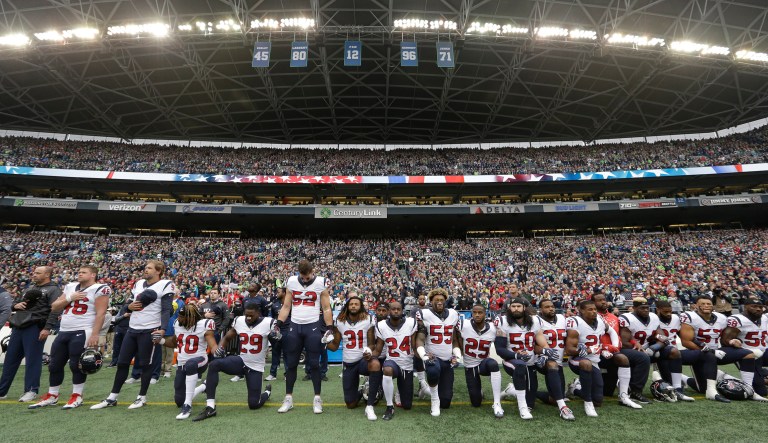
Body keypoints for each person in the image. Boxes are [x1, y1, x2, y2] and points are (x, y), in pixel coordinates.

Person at [91, 260, 175, 410]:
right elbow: (128, 303)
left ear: (158, 271)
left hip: (149, 329)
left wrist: (162, 329)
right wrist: (128, 307)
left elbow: (166, 309)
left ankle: (141, 397)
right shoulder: (139, 283)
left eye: (149, 268)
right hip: (132, 328)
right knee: (122, 363)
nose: (146, 270)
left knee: (146, 365)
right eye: (145, 267)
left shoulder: (166, 284)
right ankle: (112, 397)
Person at [29, 266, 111, 410]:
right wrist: (69, 298)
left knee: (76, 365)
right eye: (78, 271)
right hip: (64, 330)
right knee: (54, 364)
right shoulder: (71, 287)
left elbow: (101, 313)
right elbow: (54, 307)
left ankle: (77, 396)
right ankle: (52, 395)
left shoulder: (100, 288)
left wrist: (95, 334)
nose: (79, 273)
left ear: (93, 275)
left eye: (83, 272)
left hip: (83, 329)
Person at [193, 301, 273, 421]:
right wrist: (220, 347)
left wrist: (277, 337)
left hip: (256, 367)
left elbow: (279, 341)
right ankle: (210, 407)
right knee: (214, 364)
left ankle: (266, 393)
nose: (248, 317)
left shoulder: (268, 322)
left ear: (258, 313)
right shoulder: (239, 320)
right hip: (241, 361)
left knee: (254, 404)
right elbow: (228, 337)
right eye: (247, 315)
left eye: (251, 315)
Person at [273, 259, 334, 414]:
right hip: (295, 325)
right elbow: (286, 306)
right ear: (299, 273)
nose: (306, 280)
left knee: (314, 364)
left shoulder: (321, 282)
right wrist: (279, 323)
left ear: (313, 272)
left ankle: (317, 399)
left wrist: (329, 328)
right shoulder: (292, 281)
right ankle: (288, 398)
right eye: (303, 277)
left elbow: (326, 308)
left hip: (313, 325)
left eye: (308, 277)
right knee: (291, 363)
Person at [0, 266, 61, 402]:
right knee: (10, 360)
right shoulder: (29, 288)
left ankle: (31, 390)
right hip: (19, 325)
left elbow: (55, 310)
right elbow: (15, 303)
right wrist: (15, 306)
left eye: (38, 273)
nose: (34, 275)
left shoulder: (53, 289)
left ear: (47, 275)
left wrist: (47, 328)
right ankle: (2, 391)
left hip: (35, 326)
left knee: (33, 359)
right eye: (34, 272)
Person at [494, 297, 559, 420]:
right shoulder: (503, 321)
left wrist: (544, 355)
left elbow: (543, 344)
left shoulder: (534, 322)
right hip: (511, 361)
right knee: (520, 365)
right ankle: (522, 408)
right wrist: (516, 355)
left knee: (531, 402)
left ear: (524, 308)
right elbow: (500, 349)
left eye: (518, 306)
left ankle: (511, 390)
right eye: (513, 306)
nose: (516, 309)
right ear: (509, 308)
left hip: (530, 362)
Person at [326, 294, 381, 420]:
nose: (354, 306)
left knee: (375, 364)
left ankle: (370, 405)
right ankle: (362, 391)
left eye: (356, 304)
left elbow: (372, 344)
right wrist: (324, 343)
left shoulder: (368, 319)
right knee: (350, 404)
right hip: (348, 363)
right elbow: (334, 346)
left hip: (363, 360)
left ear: (361, 306)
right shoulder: (339, 321)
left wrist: (368, 351)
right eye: (351, 304)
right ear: (347, 306)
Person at [161, 302, 218, 419]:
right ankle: (203, 387)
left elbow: (212, 345)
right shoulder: (177, 324)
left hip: (200, 360)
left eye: (182, 317)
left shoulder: (204, 324)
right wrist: (160, 341)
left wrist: (217, 351)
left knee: (191, 364)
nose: (179, 319)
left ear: (191, 318)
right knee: (178, 400)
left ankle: (187, 406)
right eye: (179, 316)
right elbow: (173, 343)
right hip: (182, 364)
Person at [677, 296, 736, 402]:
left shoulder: (722, 318)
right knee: (702, 389)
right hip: (698, 351)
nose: (706, 306)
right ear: (696, 306)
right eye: (703, 304)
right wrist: (709, 351)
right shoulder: (690, 317)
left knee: (747, 353)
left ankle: (750, 384)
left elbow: (726, 338)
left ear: (713, 306)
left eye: (708, 304)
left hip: (717, 351)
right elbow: (686, 342)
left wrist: (733, 341)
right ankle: (684, 378)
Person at [564, 299, 617, 417]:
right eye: (590, 309)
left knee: (598, 400)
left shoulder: (600, 321)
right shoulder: (575, 322)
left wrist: (611, 347)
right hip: (576, 360)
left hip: (594, 361)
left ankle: (574, 389)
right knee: (586, 364)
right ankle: (587, 403)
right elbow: (569, 350)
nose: (594, 312)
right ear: (581, 310)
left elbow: (611, 331)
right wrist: (589, 350)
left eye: (595, 309)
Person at [593, 292, 647, 406]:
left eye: (604, 299)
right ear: (593, 303)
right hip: (599, 352)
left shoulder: (614, 317)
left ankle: (635, 391)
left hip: (616, 350)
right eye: (599, 300)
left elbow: (624, 333)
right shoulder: (591, 317)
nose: (603, 302)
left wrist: (634, 342)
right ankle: (578, 385)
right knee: (605, 393)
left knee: (642, 357)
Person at [413, 288, 460, 417]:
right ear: (431, 301)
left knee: (445, 402)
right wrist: (424, 355)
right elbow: (420, 338)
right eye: (436, 300)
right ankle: (434, 400)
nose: (439, 302)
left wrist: (457, 356)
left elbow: (455, 340)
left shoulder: (453, 314)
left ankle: (425, 390)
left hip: (447, 360)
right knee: (433, 370)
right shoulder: (424, 314)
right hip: (433, 357)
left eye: (442, 300)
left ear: (445, 301)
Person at [454, 304, 504, 418]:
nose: (477, 315)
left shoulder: (493, 328)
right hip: (470, 366)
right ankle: (479, 391)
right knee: (476, 402)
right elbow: (454, 339)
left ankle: (497, 403)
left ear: (485, 314)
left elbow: (502, 344)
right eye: (474, 312)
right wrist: (456, 355)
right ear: (471, 313)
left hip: (483, 364)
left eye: (480, 312)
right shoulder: (463, 324)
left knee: (493, 364)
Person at [371, 301, 418, 421]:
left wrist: (424, 355)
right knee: (387, 369)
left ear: (402, 310)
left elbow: (414, 346)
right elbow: (378, 349)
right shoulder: (381, 325)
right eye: (393, 309)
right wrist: (369, 356)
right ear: (389, 311)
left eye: (398, 309)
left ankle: (399, 391)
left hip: (407, 365)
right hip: (392, 362)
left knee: (407, 405)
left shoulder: (411, 323)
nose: (396, 311)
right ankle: (389, 406)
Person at [616, 298, 667, 404]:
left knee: (671, 351)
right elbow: (625, 342)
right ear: (634, 308)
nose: (645, 310)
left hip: (647, 349)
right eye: (642, 308)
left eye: (647, 308)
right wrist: (643, 350)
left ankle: (671, 386)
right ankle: (635, 391)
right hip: (628, 349)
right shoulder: (627, 318)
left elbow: (663, 338)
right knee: (643, 357)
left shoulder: (653, 317)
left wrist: (653, 348)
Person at [534, 299, 575, 420]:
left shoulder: (562, 318)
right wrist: (543, 352)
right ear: (540, 309)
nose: (551, 309)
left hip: (559, 361)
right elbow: (532, 343)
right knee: (552, 365)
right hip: (541, 360)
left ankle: (518, 390)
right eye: (547, 307)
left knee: (555, 398)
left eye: (552, 306)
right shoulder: (536, 321)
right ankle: (563, 408)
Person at [721, 298, 767, 401]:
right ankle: (723, 376)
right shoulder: (737, 319)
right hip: (747, 355)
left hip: (764, 351)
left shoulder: (764, 318)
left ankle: (763, 374)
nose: (758, 309)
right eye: (754, 306)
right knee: (761, 391)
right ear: (745, 307)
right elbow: (725, 340)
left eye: (760, 307)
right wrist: (733, 342)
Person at [650, 301, 694, 401]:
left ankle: (682, 383)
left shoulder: (676, 318)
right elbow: (651, 336)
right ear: (658, 310)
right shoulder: (652, 319)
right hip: (661, 351)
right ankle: (681, 381)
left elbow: (681, 334)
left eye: (670, 311)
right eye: (665, 312)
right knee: (668, 383)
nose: (669, 314)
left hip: (674, 351)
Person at [265, 287, 284, 381]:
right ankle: (273, 374)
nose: (277, 293)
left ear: (284, 293)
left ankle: (287, 374)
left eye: (279, 292)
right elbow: (273, 318)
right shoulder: (275, 305)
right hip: (277, 331)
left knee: (288, 354)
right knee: (275, 353)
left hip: (288, 330)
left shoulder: (290, 304)